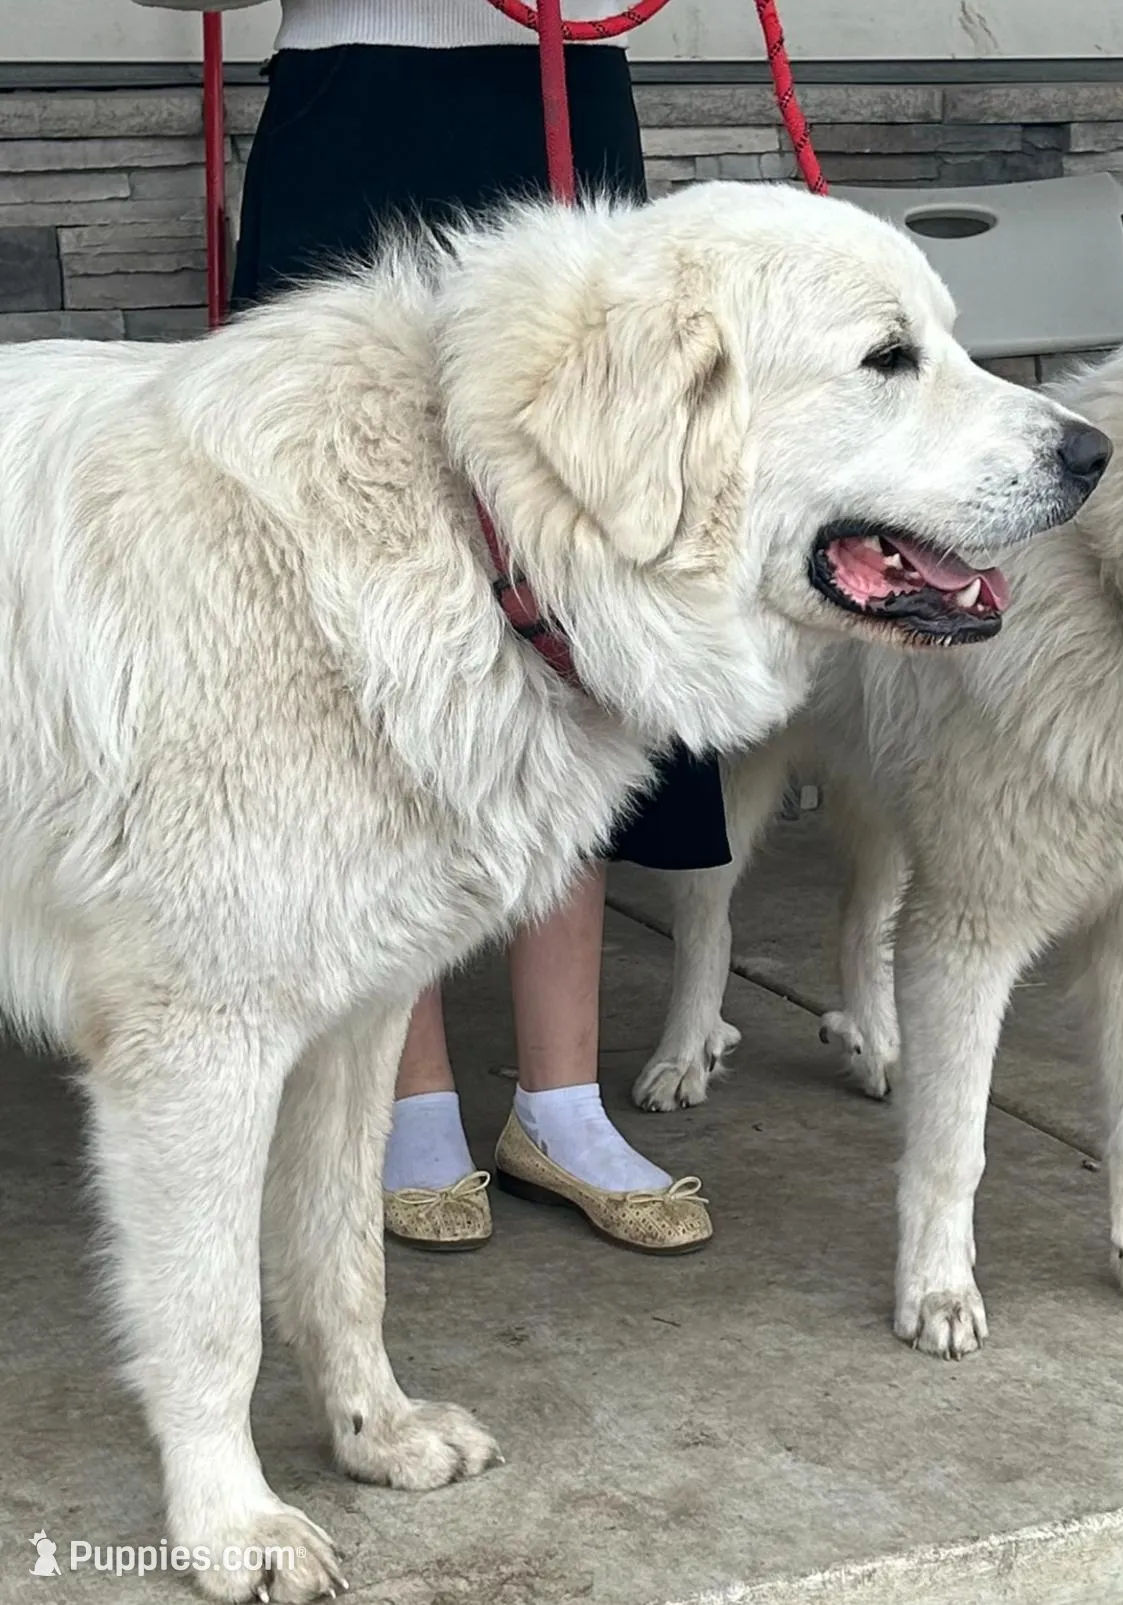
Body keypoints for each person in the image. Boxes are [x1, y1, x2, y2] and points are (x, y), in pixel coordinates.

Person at [225, 0, 725, 1253]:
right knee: (358, 582)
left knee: (589, 558)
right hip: (351, 100)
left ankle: (562, 1103)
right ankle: (405, 1099)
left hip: (565, 74)